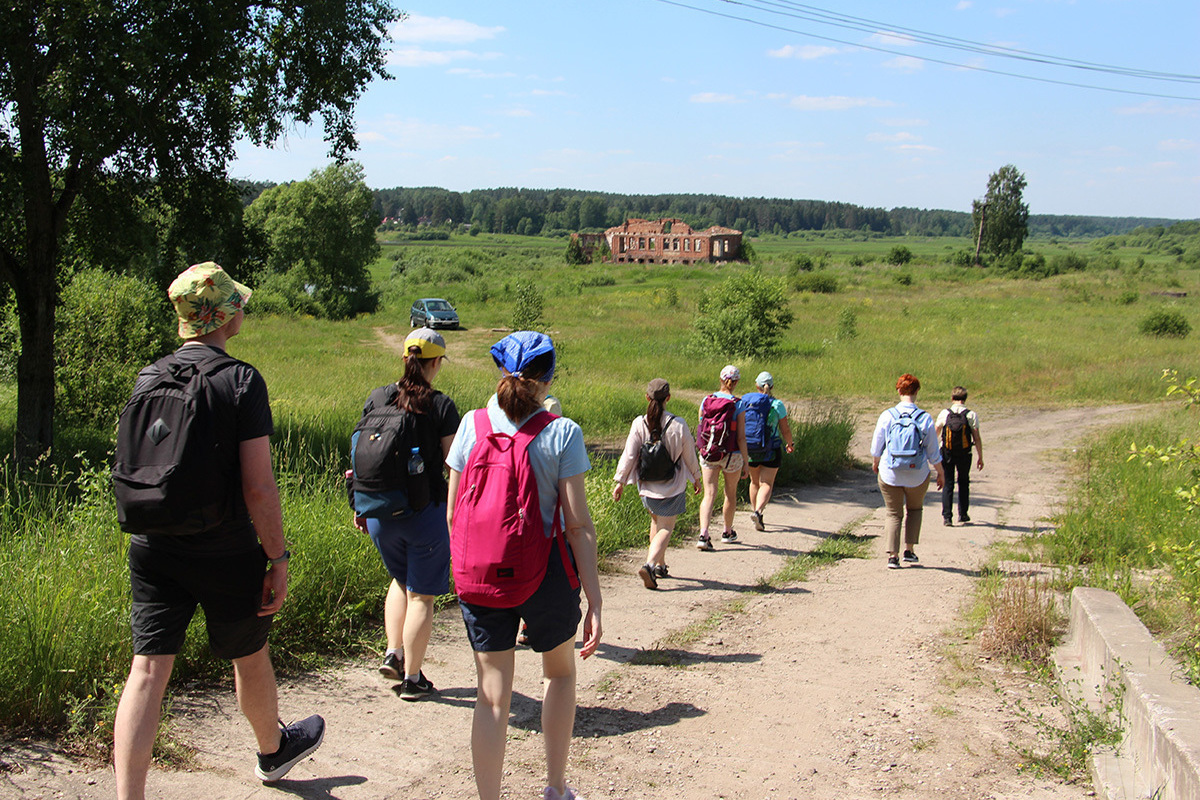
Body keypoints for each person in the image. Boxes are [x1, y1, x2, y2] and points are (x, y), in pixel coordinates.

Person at [113, 263, 324, 798]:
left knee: (147, 671)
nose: (243, 309)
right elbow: (258, 487)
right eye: (239, 302)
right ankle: (273, 752)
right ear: (225, 314)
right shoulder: (242, 380)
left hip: (152, 543)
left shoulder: (149, 375)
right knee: (248, 652)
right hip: (225, 547)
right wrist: (276, 558)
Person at [446, 331, 602, 800]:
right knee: (559, 673)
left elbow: (453, 513)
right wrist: (594, 596)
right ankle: (555, 787)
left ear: (500, 371)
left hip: (482, 572)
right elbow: (577, 526)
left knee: (492, 694)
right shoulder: (562, 432)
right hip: (547, 571)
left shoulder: (471, 426)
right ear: (548, 377)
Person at [351, 327, 459, 700]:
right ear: (436, 363)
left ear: (404, 359)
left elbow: (362, 456)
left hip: (378, 510)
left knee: (399, 580)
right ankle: (413, 680)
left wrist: (359, 505)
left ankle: (393, 654)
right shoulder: (441, 405)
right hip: (424, 512)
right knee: (422, 596)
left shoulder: (377, 397)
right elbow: (451, 463)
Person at [611, 378, 703, 589]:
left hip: (647, 487)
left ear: (647, 397)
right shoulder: (678, 424)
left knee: (656, 522)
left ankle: (660, 564)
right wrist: (696, 477)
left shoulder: (638, 423)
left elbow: (629, 455)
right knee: (666, 528)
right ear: (668, 398)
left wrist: (620, 481)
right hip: (672, 486)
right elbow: (689, 455)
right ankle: (650, 565)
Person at [871, 373, 945, 569]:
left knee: (893, 513)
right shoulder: (924, 417)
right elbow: (932, 450)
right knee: (914, 509)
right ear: (917, 391)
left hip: (890, 472)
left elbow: (877, 445)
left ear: (898, 390)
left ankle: (892, 557)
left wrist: (876, 462)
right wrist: (940, 472)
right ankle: (909, 551)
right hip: (917, 474)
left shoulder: (887, 415)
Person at [696, 365, 750, 551]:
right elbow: (741, 436)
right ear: (736, 382)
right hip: (732, 455)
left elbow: (701, 426)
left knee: (709, 493)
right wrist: (746, 461)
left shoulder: (706, 400)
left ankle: (703, 534)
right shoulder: (739, 404)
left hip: (710, 452)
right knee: (730, 493)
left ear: (720, 379)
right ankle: (727, 532)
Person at [743, 371, 796, 532]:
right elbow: (784, 429)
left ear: (756, 386)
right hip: (771, 450)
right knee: (766, 483)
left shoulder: (748, 402)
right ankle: (758, 512)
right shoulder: (777, 405)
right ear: (772, 386)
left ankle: (755, 513)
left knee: (754, 482)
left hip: (751, 449)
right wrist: (790, 443)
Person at [935, 386, 984, 526]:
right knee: (963, 482)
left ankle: (947, 517)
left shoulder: (945, 413)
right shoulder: (971, 415)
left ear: (952, 398)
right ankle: (963, 514)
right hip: (965, 453)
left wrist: (931, 450)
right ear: (965, 399)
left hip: (946, 452)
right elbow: (977, 437)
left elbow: (936, 431)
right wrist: (980, 456)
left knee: (948, 483)